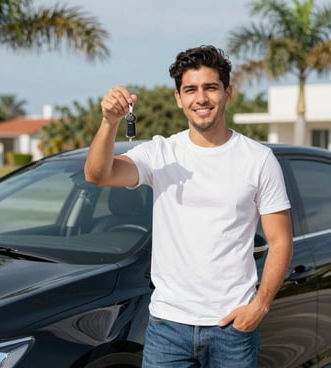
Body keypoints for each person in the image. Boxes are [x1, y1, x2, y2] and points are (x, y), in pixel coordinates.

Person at [84, 45, 293, 367]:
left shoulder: (259, 159)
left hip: (233, 326)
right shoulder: (160, 153)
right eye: (190, 90)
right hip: (168, 326)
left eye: (211, 87)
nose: (201, 98)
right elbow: (98, 174)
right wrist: (109, 122)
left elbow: (280, 240)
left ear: (228, 92)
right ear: (178, 98)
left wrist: (260, 305)